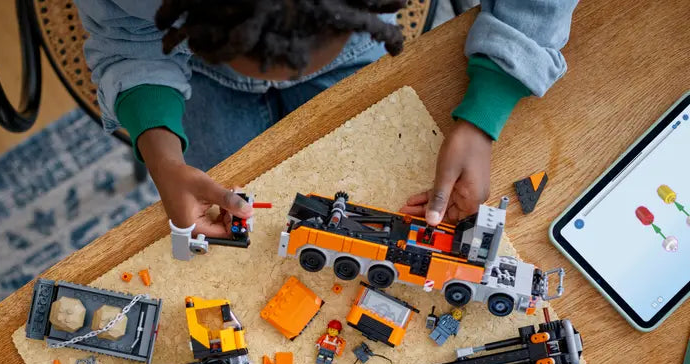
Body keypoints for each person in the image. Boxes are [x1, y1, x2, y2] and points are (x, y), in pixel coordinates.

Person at [77, 0, 579, 238]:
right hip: (191, 68)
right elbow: (123, 36)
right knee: (225, 202)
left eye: (308, 54)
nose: (283, 77)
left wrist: (485, 109)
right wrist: (163, 154)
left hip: (357, 44)